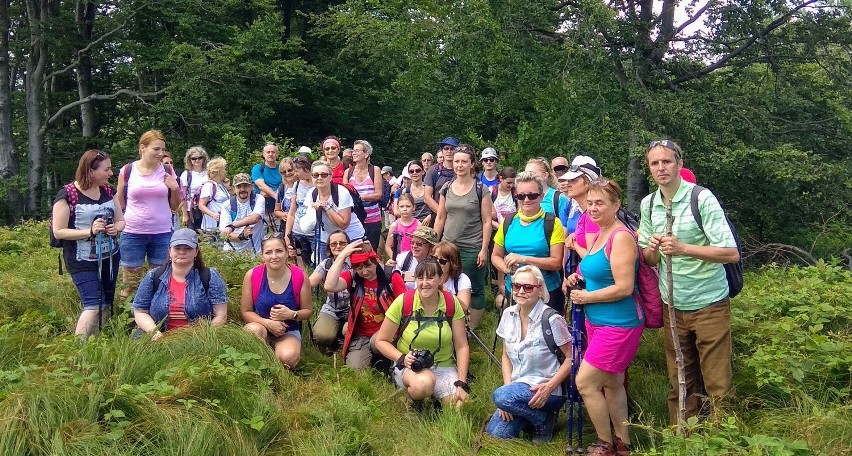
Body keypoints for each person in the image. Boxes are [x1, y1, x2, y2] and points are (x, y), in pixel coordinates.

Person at [638, 140, 739, 425]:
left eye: (666, 161)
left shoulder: (701, 198)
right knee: (680, 379)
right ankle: (682, 438)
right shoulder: (649, 205)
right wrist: (654, 248)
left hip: (709, 303)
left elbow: (730, 253)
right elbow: (649, 259)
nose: (661, 168)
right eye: (654, 163)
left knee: (718, 382)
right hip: (672, 305)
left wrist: (684, 248)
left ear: (679, 164)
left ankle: (724, 438)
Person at [564, 178, 642, 455]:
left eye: (600, 203)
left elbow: (624, 287)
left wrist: (587, 297)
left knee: (585, 383)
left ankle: (604, 443)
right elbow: (597, 267)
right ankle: (623, 443)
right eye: (590, 203)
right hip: (598, 322)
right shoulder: (601, 232)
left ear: (616, 205)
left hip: (618, 324)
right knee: (612, 382)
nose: (593, 208)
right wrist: (579, 276)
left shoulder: (620, 236)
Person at [486, 265, 571, 443]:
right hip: (517, 389)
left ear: (540, 290)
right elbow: (505, 356)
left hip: (548, 391)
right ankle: (537, 418)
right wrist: (508, 393)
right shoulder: (508, 314)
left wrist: (549, 388)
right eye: (517, 286)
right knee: (496, 433)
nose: (521, 291)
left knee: (501, 396)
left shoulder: (552, 319)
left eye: (528, 287)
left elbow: (572, 358)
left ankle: (544, 418)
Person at [374, 258, 471, 408]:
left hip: (443, 366)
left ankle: (434, 398)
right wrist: (401, 358)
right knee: (423, 383)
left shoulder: (451, 303)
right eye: (420, 278)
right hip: (410, 366)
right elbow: (381, 340)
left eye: (430, 277)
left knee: (461, 405)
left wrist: (462, 382)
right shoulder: (404, 301)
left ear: (441, 279)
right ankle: (414, 400)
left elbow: (461, 345)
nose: (424, 283)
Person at [52, 150, 126, 337]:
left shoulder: (109, 191)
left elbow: (121, 221)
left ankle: (98, 342)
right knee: (93, 304)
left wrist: (115, 229)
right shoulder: (68, 194)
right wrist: (90, 231)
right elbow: (58, 231)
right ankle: (79, 350)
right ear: (91, 171)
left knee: (107, 303)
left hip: (110, 256)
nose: (111, 173)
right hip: (81, 260)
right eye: (106, 169)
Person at [115, 130, 181, 300]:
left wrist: (175, 188)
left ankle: (158, 318)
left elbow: (175, 206)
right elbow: (119, 202)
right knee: (130, 282)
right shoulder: (127, 171)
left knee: (160, 281)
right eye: (156, 149)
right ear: (142, 148)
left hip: (162, 232)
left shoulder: (167, 170)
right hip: (132, 232)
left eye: (162, 150)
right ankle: (125, 321)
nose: (160, 154)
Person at [433, 144, 493, 328]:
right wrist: (434, 243)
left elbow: (487, 221)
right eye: (456, 161)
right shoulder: (446, 187)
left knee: (474, 288)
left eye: (464, 161)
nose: (459, 165)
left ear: (472, 164)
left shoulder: (481, 189)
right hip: (447, 245)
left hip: (471, 246)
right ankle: (446, 322)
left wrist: (483, 249)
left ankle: (470, 329)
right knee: (443, 282)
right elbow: (441, 216)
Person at [324, 240, 407, 368]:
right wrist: (342, 256)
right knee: (355, 369)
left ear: (375, 261)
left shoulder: (391, 276)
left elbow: (406, 306)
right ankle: (373, 358)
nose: (364, 271)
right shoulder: (352, 277)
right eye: (359, 267)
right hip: (361, 335)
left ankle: (384, 360)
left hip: (386, 333)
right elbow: (329, 285)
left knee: (376, 342)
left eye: (368, 265)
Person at [132, 229, 228, 339]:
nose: (182, 252)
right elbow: (140, 312)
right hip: (158, 336)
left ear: (196, 252)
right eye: (177, 248)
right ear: (169, 251)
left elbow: (221, 315)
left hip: (198, 338)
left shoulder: (210, 276)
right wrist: (155, 333)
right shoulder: (153, 276)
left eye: (188, 248)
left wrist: (204, 336)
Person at [492, 172, 565, 313]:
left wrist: (524, 259)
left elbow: (556, 263)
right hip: (515, 290)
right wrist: (508, 270)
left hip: (545, 292)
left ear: (541, 196)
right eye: (521, 196)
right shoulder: (508, 221)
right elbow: (495, 256)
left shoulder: (552, 223)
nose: (526, 200)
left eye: (532, 195)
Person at [241, 235, 313, 369]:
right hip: (260, 327)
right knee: (253, 330)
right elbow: (246, 311)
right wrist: (267, 323)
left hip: (288, 330)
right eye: (268, 252)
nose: (274, 256)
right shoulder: (252, 275)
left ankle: (276, 360)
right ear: (262, 256)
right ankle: (260, 364)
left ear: (287, 253)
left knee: (288, 358)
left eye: (279, 251)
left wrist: (292, 314)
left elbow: (308, 311)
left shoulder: (300, 276)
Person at [305, 160, 365, 261]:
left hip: (350, 236)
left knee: (352, 271)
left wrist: (327, 208)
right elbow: (307, 223)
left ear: (330, 176)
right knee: (326, 270)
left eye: (324, 175)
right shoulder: (311, 193)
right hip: (327, 238)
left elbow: (344, 224)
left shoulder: (341, 192)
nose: (319, 178)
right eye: (315, 175)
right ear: (312, 177)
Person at [310, 230, 353, 353]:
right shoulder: (326, 263)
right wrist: (298, 258)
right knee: (321, 336)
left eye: (342, 243)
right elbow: (311, 283)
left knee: (350, 332)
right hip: (332, 307)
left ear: (348, 245)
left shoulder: (356, 263)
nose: (338, 246)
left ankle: (342, 336)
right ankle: (334, 336)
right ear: (329, 247)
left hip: (353, 308)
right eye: (334, 244)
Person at [343, 140, 383, 249]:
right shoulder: (348, 172)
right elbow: (345, 195)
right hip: (354, 220)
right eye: (353, 151)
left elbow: (378, 194)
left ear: (366, 154)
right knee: (355, 251)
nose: (353, 153)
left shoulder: (375, 170)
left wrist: (359, 197)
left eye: (357, 150)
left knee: (371, 251)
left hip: (373, 219)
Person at [283, 156, 316, 267]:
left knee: (317, 263)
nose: (295, 174)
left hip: (315, 233)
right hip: (298, 231)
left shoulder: (318, 184)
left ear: (306, 169)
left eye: (297, 171)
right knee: (301, 265)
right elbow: (292, 213)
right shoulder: (297, 185)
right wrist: (287, 234)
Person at [219, 173, 264, 253]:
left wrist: (232, 226)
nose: (242, 189)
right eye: (239, 186)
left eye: (246, 186)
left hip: (255, 253)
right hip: (232, 254)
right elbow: (224, 234)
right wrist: (241, 236)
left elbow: (255, 218)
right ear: (234, 189)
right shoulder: (227, 205)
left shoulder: (258, 199)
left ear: (252, 187)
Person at [524, 157, 570, 229]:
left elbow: (565, 227)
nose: (528, 177)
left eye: (532, 173)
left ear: (545, 175)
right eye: (525, 174)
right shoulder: (524, 198)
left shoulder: (558, 198)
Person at [251, 142, 281, 245]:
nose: (270, 154)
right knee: (260, 234)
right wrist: (278, 196)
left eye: (273, 152)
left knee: (279, 234)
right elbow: (261, 185)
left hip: (277, 208)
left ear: (277, 154)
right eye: (268, 152)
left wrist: (271, 194)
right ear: (263, 154)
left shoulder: (281, 169)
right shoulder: (258, 168)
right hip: (263, 208)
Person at [423, 137, 459, 216]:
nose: (449, 151)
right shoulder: (434, 170)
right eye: (446, 148)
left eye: (452, 148)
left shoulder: (461, 170)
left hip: (458, 216)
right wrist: (443, 214)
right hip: (437, 217)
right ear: (442, 152)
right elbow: (427, 197)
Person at [431, 241, 471, 311]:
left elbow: (464, 307)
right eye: (434, 258)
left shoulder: (462, 279)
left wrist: (445, 290)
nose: (437, 262)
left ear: (453, 264)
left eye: (442, 261)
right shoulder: (425, 275)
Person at [197, 157, 230, 238]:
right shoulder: (209, 185)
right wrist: (213, 215)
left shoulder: (221, 185)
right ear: (219, 172)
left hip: (222, 225)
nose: (226, 172)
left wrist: (228, 187)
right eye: (224, 169)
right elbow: (201, 205)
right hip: (211, 227)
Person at [179, 146, 209, 230]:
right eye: (194, 158)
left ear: (204, 159)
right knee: (192, 237)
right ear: (190, 160)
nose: (197, 160)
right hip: (192, 211)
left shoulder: (209, 173)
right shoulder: (186, 174)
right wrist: (185, 214)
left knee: (207, 237)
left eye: (200, 157)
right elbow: (183, 196)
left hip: (207, 210)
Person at [384, 193, 421, 260]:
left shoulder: (418, 225)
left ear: (413, 207)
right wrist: (395, 259)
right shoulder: (394, 226)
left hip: (414, 260)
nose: (405, 209)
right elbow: (387, 247)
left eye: (408, 206)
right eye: (401, 206)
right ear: (397, 208)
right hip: (399, 260)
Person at [272, 157, 298, 233]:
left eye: (290, 170)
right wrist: (283, 215)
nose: (287, 173)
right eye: (283, 172)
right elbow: (276, 210)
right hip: (286, 227)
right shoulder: (281, 188)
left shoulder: (302, 186)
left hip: (300, 227)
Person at [162, 152, 180, 231]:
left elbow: (183, 197)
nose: (169, 165)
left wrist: (175, 207)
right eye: (166, 163)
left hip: (173, 214)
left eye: (171, 162)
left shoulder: (177, 179)